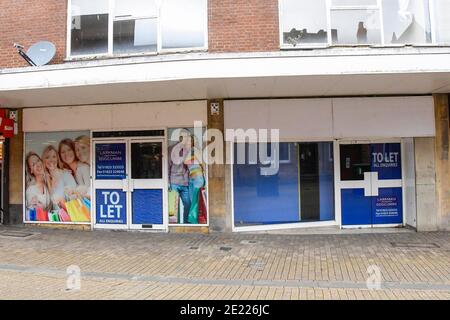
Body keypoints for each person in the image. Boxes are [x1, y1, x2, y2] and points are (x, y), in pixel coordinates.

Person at [169, 129, 192, 223]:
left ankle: (185, 223)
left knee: (188, 204)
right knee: (174, 206)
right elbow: (168, 166)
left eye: (187, 137)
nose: (185, 139)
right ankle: (175, 224)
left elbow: (190, 166)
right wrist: (167, 182)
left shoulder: (188, 150)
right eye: (183, 136)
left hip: (185, 182)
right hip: (174, 181)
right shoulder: (171, 149)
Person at [183, 132, 206, 224]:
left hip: (198, 178)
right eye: (186, 141)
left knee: (195, 201)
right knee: (193, 200)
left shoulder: (195, 150)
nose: (187, 142)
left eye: (189, 141)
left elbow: (203, 164)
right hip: (191, 179)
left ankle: (195, 221)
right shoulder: (187, 152)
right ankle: (194, 220)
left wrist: (205, 177)